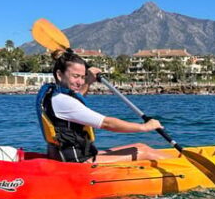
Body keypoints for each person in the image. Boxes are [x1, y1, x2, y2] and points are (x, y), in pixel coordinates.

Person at [36, 49, 170, 163]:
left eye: (82, 77)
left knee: (140, 146)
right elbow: (107, 123)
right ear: (59, 74)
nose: (80, 81)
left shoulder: (50, 93)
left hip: (62, 155)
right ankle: (186, 170)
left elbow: (76, 102)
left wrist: (88, 81)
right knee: (143, 152)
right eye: (75, 76)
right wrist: (146, 127)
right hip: (77, 162)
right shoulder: (63, 101)